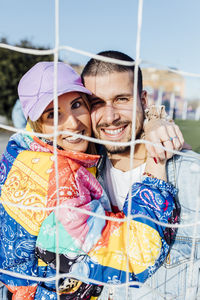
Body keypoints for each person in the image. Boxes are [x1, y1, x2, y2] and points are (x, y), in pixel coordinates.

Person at [0, 62, 178, 300]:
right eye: (53, 114)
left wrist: (155, 121)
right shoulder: (62, 181)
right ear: (38, 124)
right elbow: (138, 255)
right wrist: (156, 159)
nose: (73, 124)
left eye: (76, 105)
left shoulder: (27, 148)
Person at [81, 50, 200, 300]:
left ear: (143, 101)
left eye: (122, 99)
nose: (110, 116)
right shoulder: (81, 174)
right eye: (97, 103)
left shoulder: (191, 176)